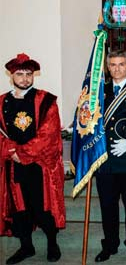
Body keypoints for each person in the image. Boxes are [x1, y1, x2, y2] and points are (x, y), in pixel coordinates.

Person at [0, 53, 65, 264]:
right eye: (20, 74)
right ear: (12, 76)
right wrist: (11, 152)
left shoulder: (45, 100)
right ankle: (26, 247)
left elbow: (49, 133)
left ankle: (52, 243)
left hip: (39, 165)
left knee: (42, 207)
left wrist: (23, 153)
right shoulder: (1, 102)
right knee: (20, 208)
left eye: (29, 74)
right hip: (13, 166)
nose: (25, 78)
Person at [93, 51, 126, 263]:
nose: (117, 68)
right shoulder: (99, 92)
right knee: (108, 206)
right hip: (105, 161)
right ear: (108, 67)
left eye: (121, 64)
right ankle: (110, 245)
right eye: (113, 65)